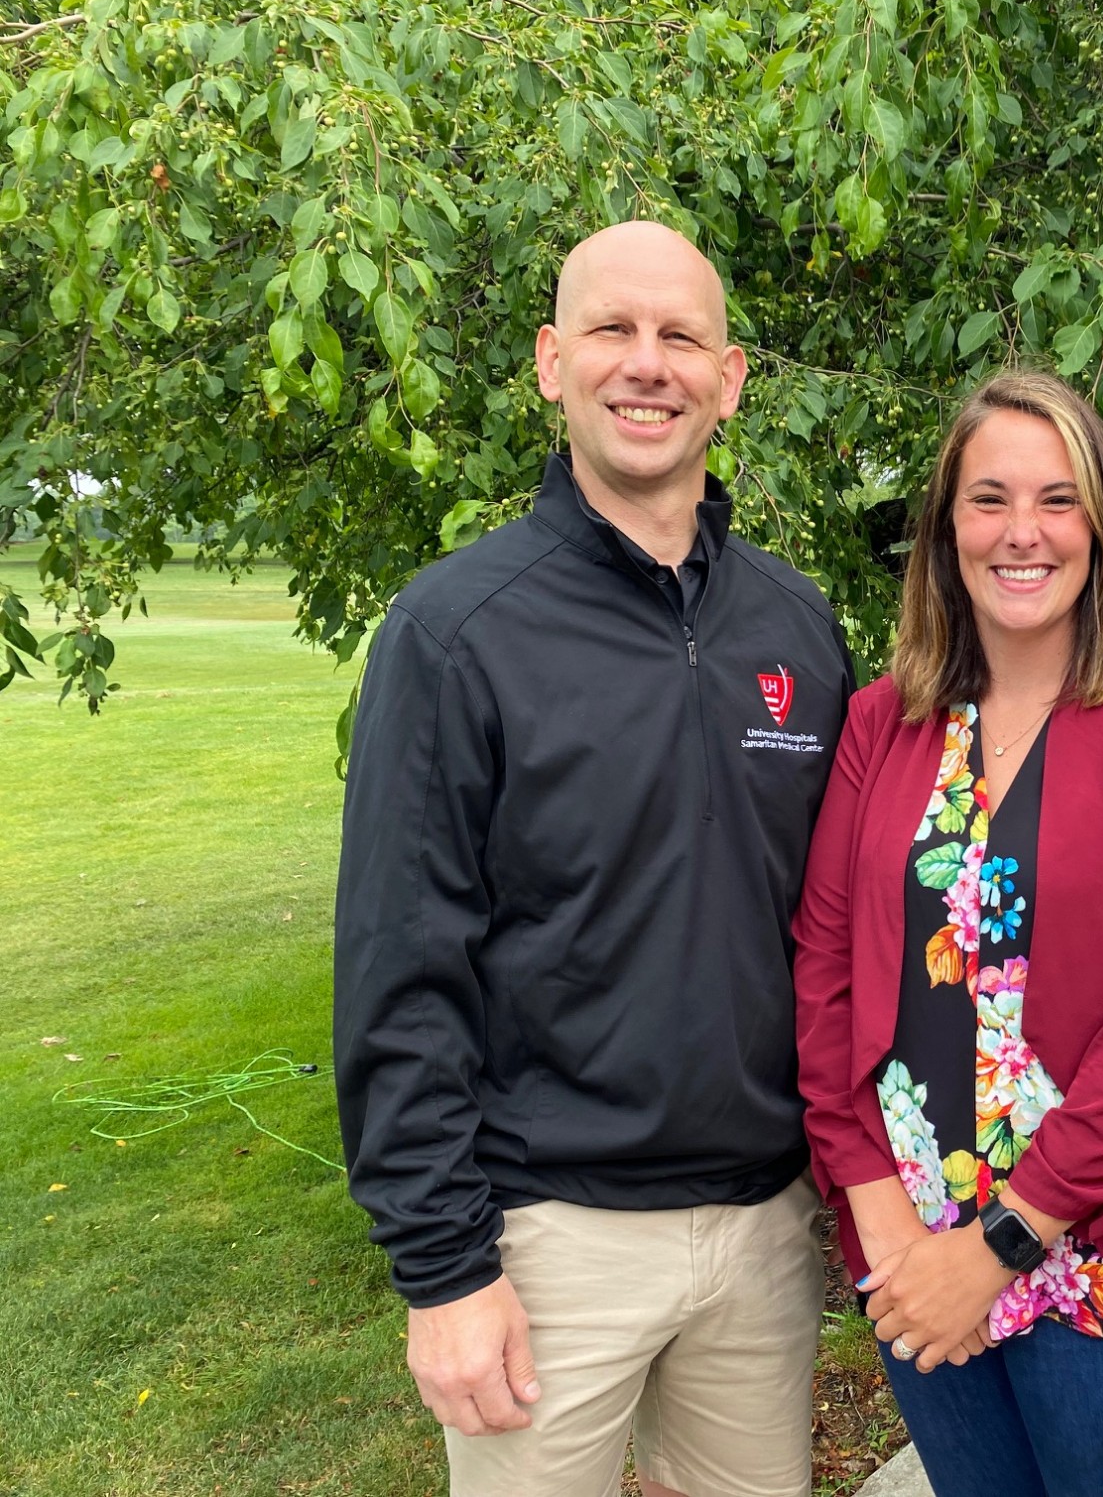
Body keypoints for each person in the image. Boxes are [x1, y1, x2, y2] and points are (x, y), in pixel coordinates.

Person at [332, 221, 852, 1497]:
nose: (647, 364)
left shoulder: (797, 626)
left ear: (730, 379)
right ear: (551, 362)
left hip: (764, 1224)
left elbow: (837, 934)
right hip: (548, 1235)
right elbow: (402, 971)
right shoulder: (455, 633)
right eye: (613, 331)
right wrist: (445, 1270)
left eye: (680, 336)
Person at [792, 370, 1103, 1497]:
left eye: (1056, 499)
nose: (1020, 533)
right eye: (987, 499)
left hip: (1099, 1253)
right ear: (947, 529)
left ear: (1101, 528)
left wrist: (999, 1245)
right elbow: (825, 969)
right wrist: (876, 1210)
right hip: (910, 1245)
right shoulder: (883, 722)